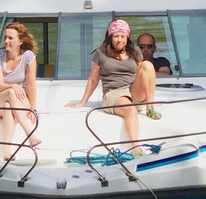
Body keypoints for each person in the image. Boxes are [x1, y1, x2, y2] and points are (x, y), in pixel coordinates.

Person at [65, 19, 159, 154]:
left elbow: (143, 75)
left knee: (148, 65)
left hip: (133, 90)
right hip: (113, 93)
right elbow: (93, 79)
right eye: (116, 36)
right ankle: (136, 150)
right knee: (131, 111)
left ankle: (150, 106)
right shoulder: (100, 53)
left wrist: (151, 99)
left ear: (127, 37)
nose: (119, 40)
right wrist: (82, 102)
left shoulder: (135, 51)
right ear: (110, 37)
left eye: (122, 36)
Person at [0, 22, 39, 160]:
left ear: (20, 41)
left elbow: (31, 85)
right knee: (9, 94)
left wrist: (33, 109)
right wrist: (13, 86)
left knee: (8, 107)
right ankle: (30, 134)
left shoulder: (28, 56)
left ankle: (6, 151)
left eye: (10, 38)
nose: (6, 41)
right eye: (5, 37)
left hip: (20, 100)